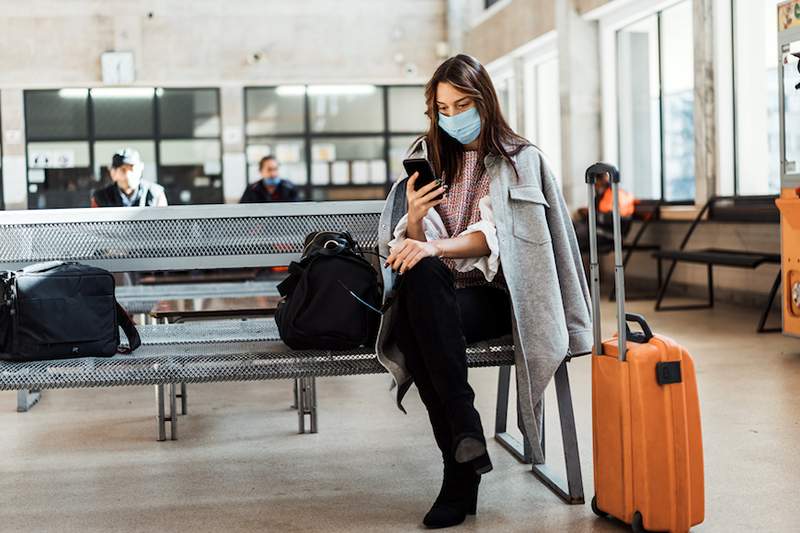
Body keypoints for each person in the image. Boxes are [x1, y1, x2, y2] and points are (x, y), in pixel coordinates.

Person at [377, 55, 592, 529]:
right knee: (424, 287)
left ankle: (459, 469)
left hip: (497, 297)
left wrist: (431, 246)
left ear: (484, 100)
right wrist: (414, 216)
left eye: (462, 104)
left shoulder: (519, 159)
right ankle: (465, 443)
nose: (453, 117)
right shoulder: (430, 157)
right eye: (442, 108)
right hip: (438, 296)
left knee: (419, 316)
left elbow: (499, 238)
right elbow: (409, 246)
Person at [572, 172, 635, 253]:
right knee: (570, 226)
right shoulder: (602, 194)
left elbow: (616, 220)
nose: (595, 186)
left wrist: (591, 214)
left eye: (596, 182)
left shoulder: (616, 194)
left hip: (611, 234)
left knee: (575, 236)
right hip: (598, 228)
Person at [90, 148, 168, 208]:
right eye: (123, 170)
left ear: (141, 168)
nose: (128, 174)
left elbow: (165, 225)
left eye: (132, 168)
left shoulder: (156, 193)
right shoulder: (101, 197)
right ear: (113, 173)